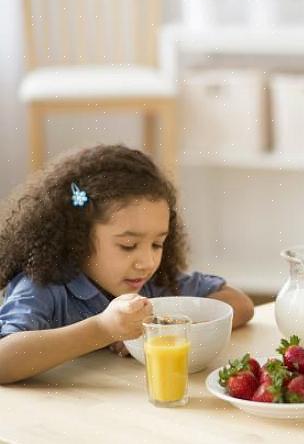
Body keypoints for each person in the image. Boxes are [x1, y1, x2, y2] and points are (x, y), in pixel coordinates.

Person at [0, 144, 254, 383]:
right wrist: (103, 329)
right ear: (77, 237)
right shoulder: (45, 287)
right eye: (128, 246)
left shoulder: (154, 283)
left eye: (157, 244)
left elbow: (240, 304)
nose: (147, 262)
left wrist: (163, 329)